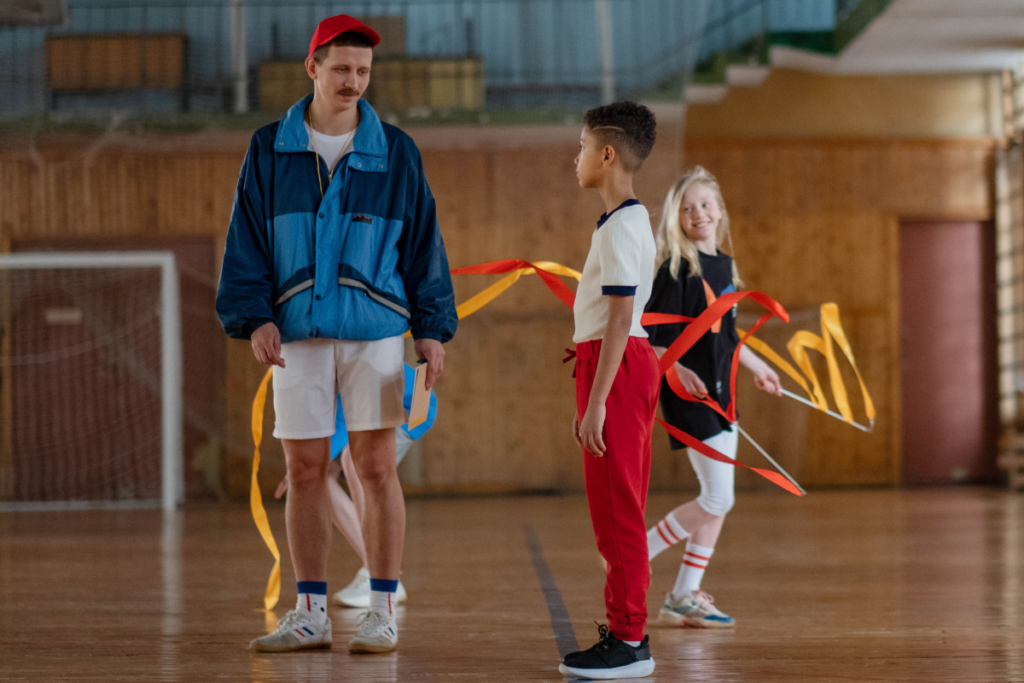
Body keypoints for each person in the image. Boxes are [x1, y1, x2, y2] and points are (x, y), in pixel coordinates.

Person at [215, 14, 457, 655]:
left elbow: (424, 246)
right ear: (313, 68)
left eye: (364, 72)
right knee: (305, 467)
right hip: (294, 335)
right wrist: (254, 316)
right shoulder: (268, 148)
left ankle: (381, 609)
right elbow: (246, 242)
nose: (354, 82)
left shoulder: (397, 150)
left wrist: (431, 330)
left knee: (375, 467)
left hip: (374, 332)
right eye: (343, 69)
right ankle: (311, 613)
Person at [642, 166, 781, 628]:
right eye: (686, 208)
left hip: (724, 397)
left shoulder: (724, 267)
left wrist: (760, 367)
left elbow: (729, 337)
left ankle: (683, 595)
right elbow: (654, 342)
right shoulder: (674, 270)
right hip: (689, 395)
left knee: (720, 498)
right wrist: (679, 370)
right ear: (676, 219)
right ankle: (638, 553)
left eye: (704, 204)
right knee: (717, 498)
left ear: (719, 211)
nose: (697, 213)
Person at [559, 101, 659, 680]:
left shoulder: (624, 224)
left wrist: (597, 401)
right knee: (613, 509)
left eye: (580, 146)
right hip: (611, 363)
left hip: (615, 366)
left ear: (606, 154)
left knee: (619, 511)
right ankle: (626, 629)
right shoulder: (619, 222)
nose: (575, 158)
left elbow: (620, 319)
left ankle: (628, 639)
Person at [274, 363, 439, 608]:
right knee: (323, 478)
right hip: (375, 409)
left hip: (416, 403)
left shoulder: (334, 361)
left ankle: (380, 574)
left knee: (354, 459)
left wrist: (307, 467)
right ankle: (373, 568)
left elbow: (341, 417)